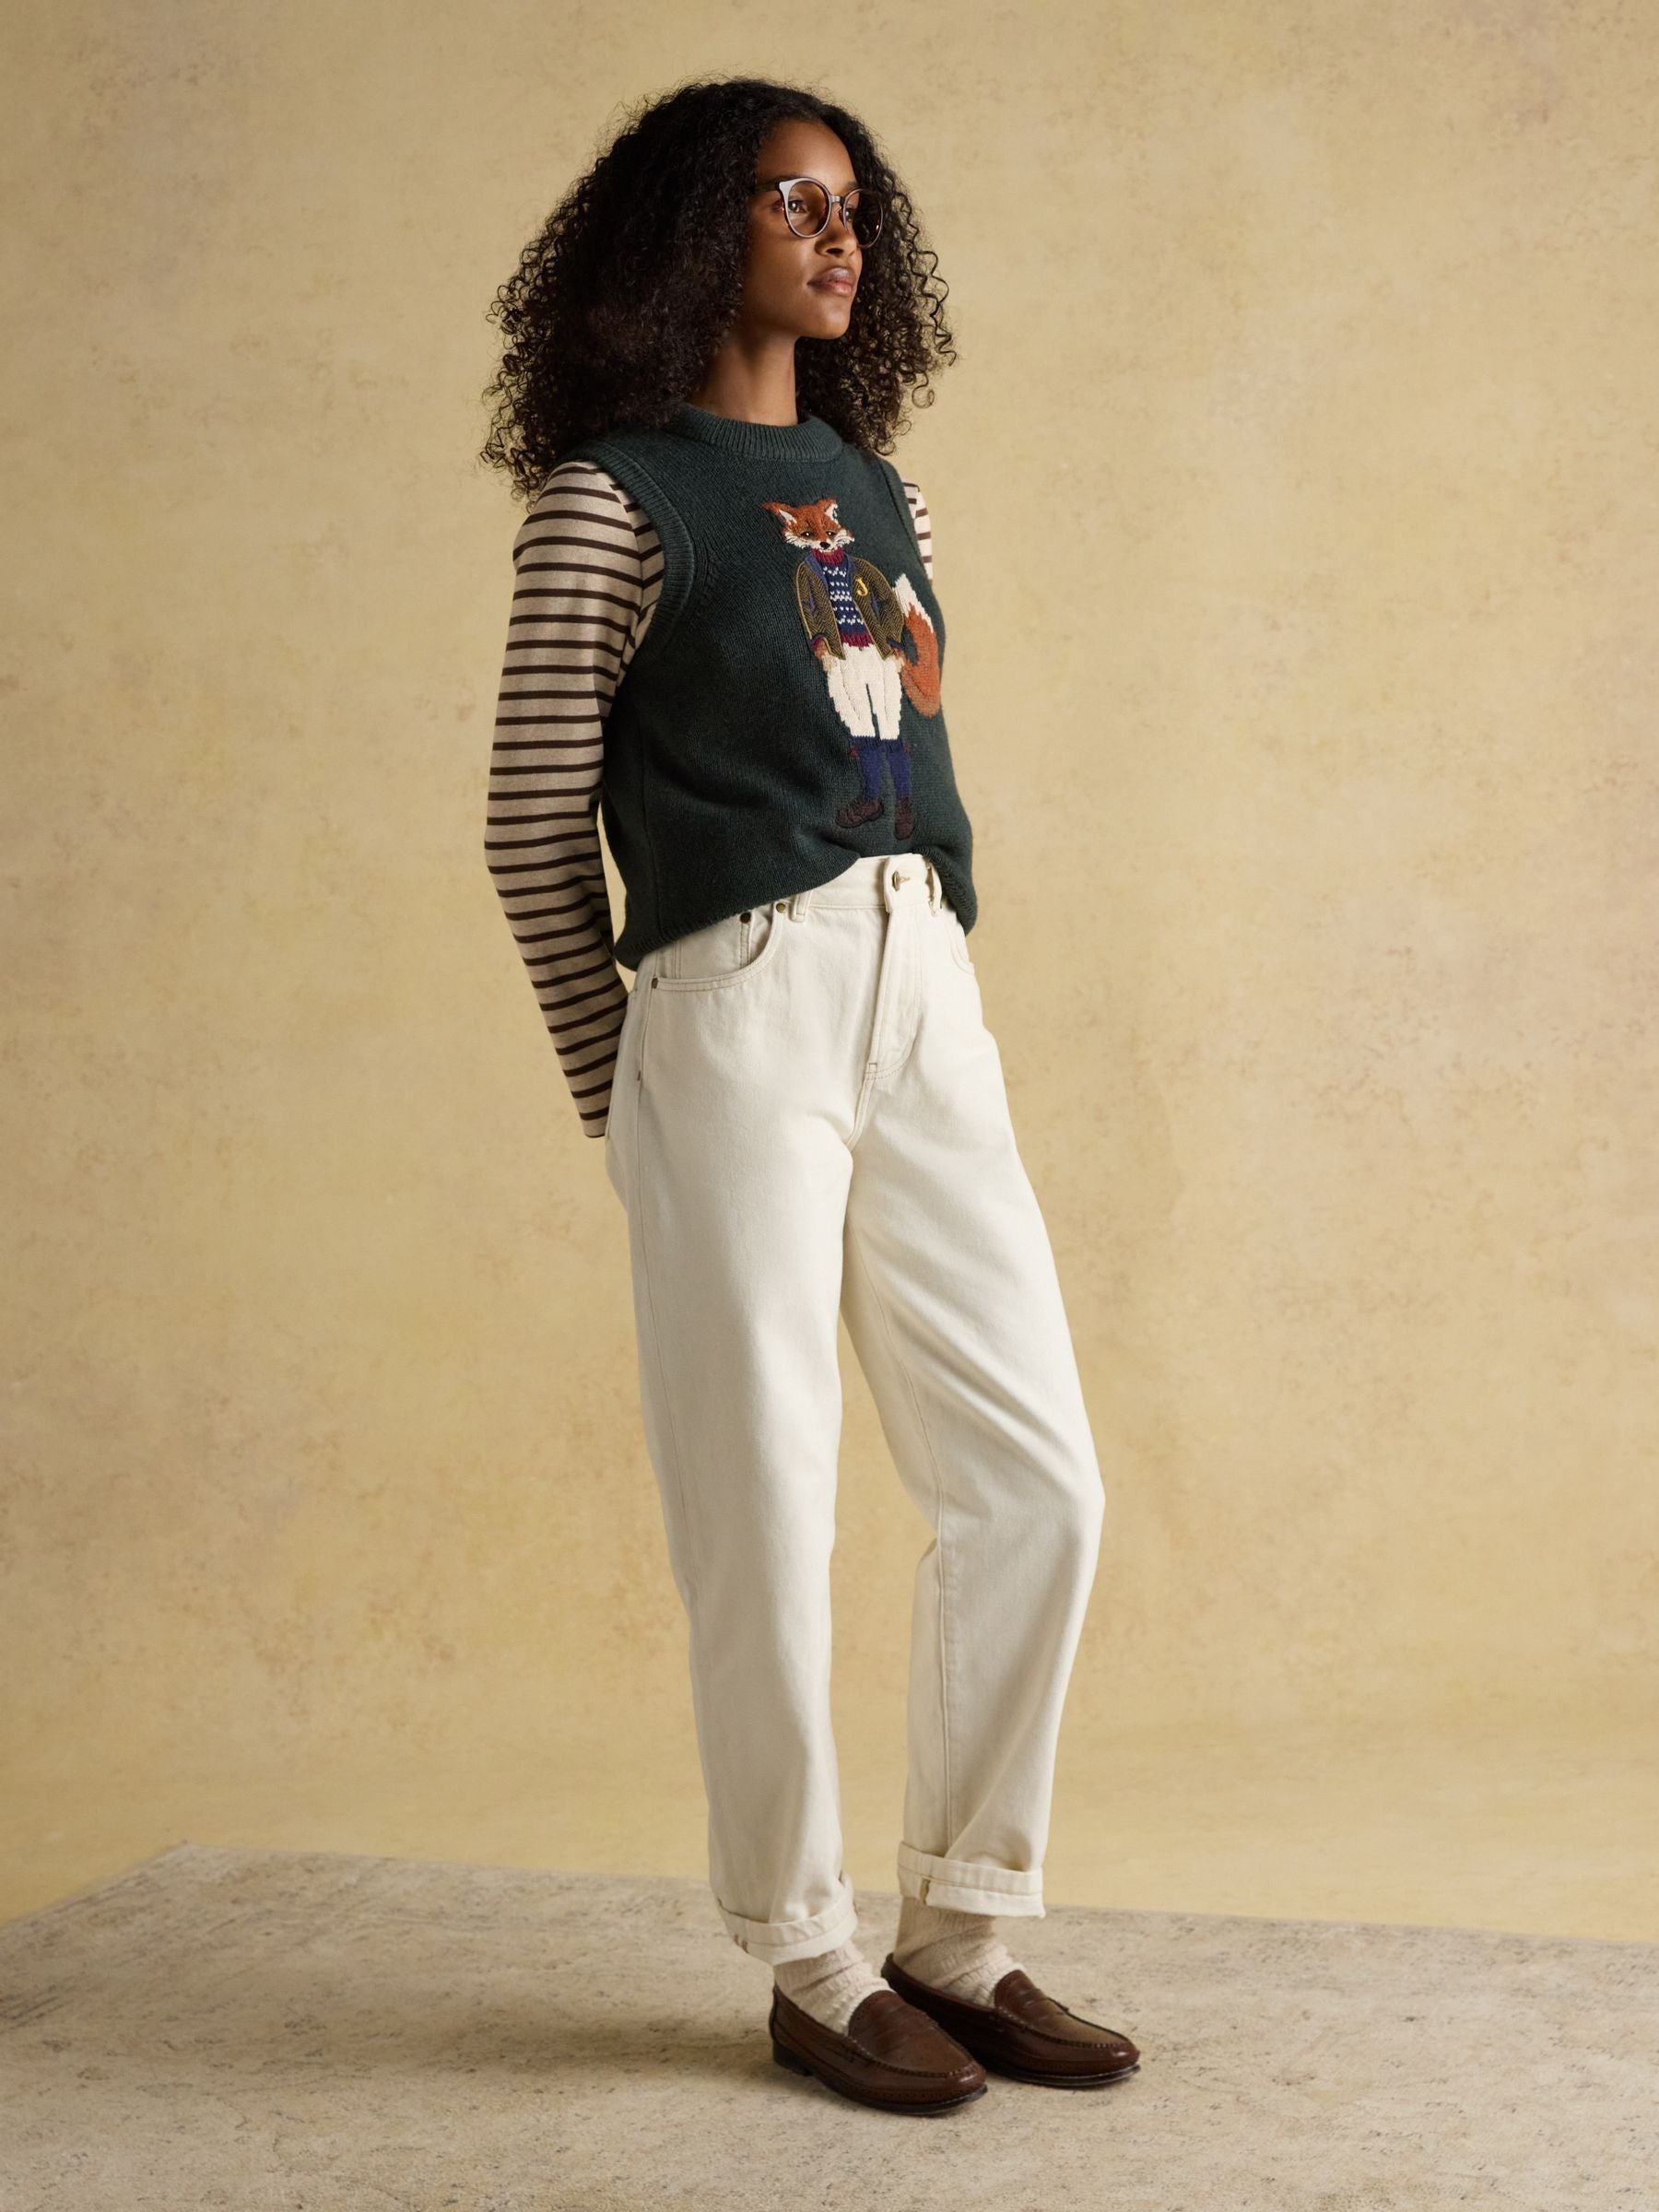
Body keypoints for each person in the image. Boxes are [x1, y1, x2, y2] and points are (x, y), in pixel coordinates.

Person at [478, 73, 1140, 2115]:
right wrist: (626, 1096)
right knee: (763, 1499)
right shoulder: (610, 502)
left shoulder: (882, 494)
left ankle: (961, 1928)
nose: (839, 235)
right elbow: (528, 826)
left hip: (920, 981)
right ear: (700, 231)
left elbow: (901, 741)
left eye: (854, 205)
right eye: (792, 201)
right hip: (731, 1005)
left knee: (1038, 1481)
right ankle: (809, 1953)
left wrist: (927, 964)